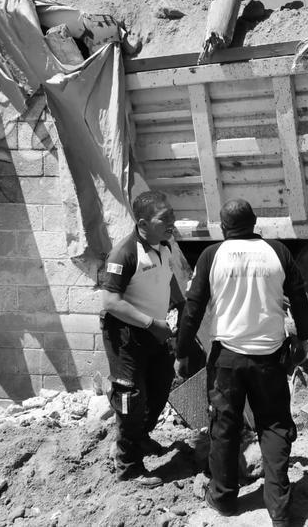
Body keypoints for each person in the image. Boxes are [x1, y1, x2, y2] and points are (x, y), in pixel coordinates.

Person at [175, 199, 308, 527]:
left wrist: (181, 353)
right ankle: (278, 507)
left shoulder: (212, 255)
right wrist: (302, 339)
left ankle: (223, 498)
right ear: (255, 222)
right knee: (274, 424)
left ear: (223, 227)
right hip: (269, 357)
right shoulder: (278, 252)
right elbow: (300, 297)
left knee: (225, 425)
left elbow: (193, 308)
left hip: (227, 361)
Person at [98, 190, 184, 487]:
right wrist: (150, 323)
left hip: (155, 330)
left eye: (172, 215)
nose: (172, 222)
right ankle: (129, 466)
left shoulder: (164, 244)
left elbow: (167, 280)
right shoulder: (124, 252)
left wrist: (182, 307)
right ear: (144, 223)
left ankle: (141, 437)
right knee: (130, 397)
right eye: (165, 218)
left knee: (160, 388)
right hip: (126, 334)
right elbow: (110, 302)